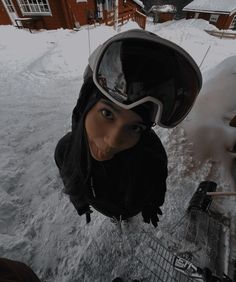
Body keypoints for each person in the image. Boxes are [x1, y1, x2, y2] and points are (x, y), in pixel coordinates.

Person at [54, 29, 202, 227]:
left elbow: (157, 185)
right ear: (84, 106)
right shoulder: (65, 150)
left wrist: (151, 205)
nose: (114, 141)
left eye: (135, 128)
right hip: (106, 209)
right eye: (107, 114)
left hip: (131, 209)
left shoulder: (152, 155)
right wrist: (79, 202)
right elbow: (69, 176)